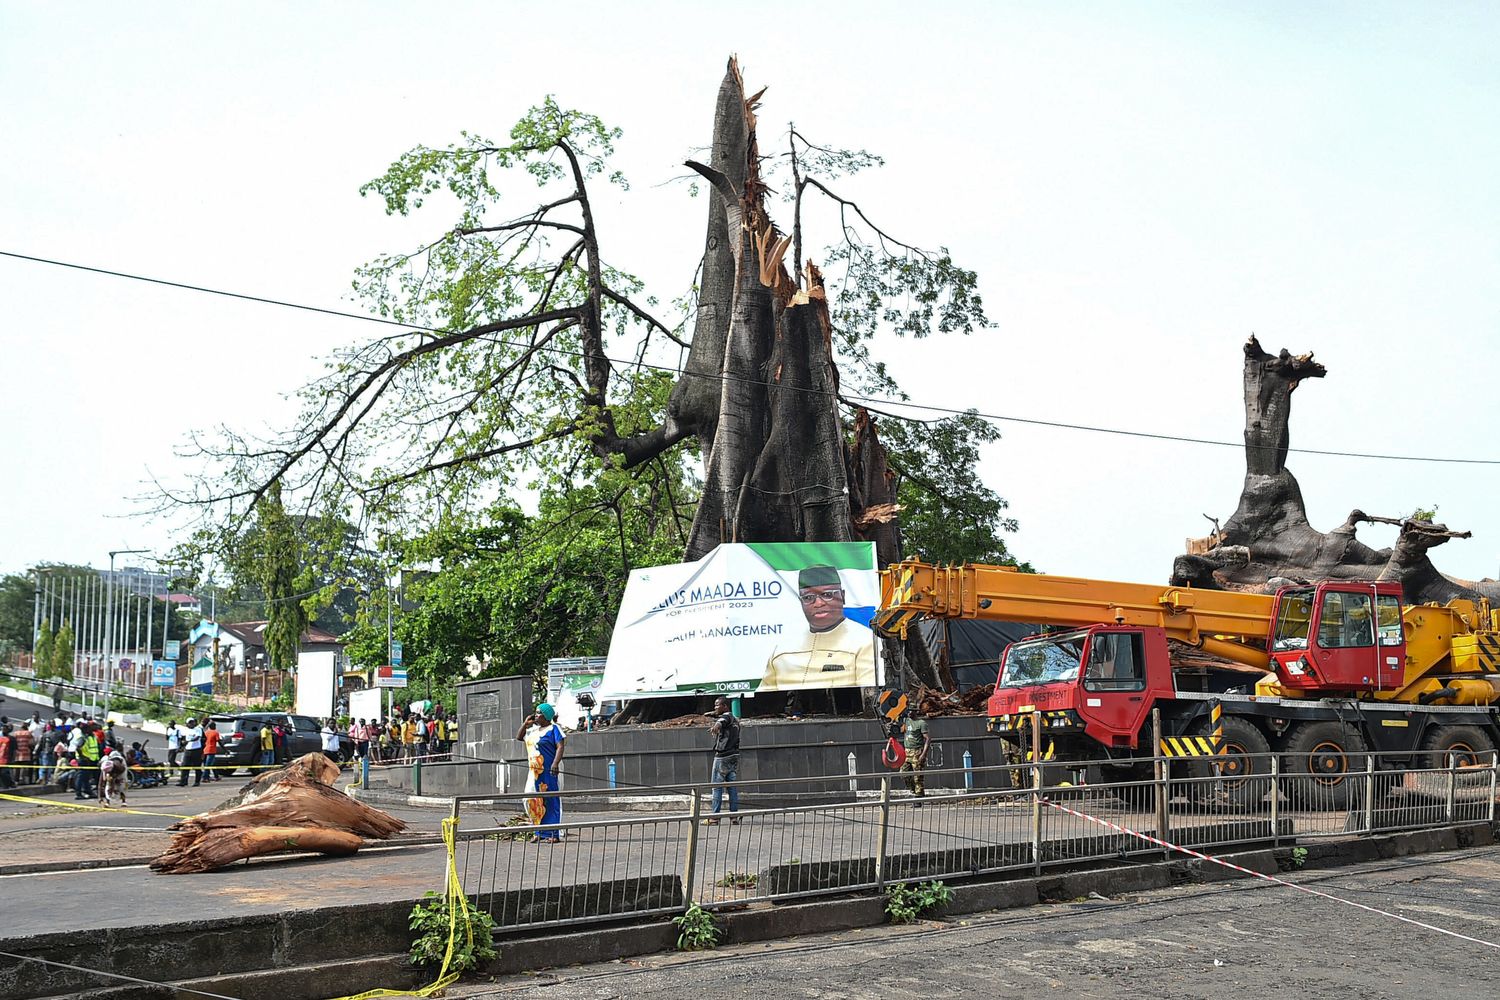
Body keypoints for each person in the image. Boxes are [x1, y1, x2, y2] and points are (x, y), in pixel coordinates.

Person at [762, 566, 878, 691]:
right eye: (808, 597)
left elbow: (868, 697)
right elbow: (765, 698)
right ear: (800, 602)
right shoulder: (782, 648)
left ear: (842, 596)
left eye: (827, 595)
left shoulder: (865, 641)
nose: (818, 603)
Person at [517, 703, 566, 843]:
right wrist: (525, 724)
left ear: (546, 716)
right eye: (536, 712)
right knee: (532, 799)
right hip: (534, 772)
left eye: (539, 713)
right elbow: (519, 737)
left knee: (550, 800)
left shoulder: (554, 729)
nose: (536, 715)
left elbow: (560, 746)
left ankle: (553, 833)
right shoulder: (533, 731)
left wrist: (555, 763)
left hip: (550, 770)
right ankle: (538, 831)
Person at [705, 696, 741, 825]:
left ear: (725, 706)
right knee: (732, 788)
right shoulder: (736, 720)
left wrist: (716, 727)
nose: (715, 707)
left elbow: (722, 720)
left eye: (717, 705)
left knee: (716, 787)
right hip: (734, 756)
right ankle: (734, 816)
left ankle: (714, 818)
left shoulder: (727, 716)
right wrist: (713, 714)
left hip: (722, 757)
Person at [900, 708, 930, 805]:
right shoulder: (906, 721)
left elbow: (927, 739)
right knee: (903, 773)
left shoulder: (921, 723)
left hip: (917, 751)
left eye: (911, 711)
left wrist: (923, 753)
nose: (909, 713)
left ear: (915, 712)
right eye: (908, 711)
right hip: (906, 751)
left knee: (918, 776)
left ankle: (918, 798)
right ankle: (915, 791)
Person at [74, 723, 101, 800]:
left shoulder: (92, 737)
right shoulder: (83, 738)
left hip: (92, 759)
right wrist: (83, 757)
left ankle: (88, 791)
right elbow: (78, 748)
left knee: (86, 777)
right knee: (81, 777)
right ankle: (78, 793)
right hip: (84, 760)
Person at [178, 717, 205, 787]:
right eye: (189, 723)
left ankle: (197, 781)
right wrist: (182, 745)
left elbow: (197, 738)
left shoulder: (198, 729)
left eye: (192, 722)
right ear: (187, 724)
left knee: (197, 766)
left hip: (196, 750)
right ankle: (183, 781)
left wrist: (188, 741)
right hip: (188, 750)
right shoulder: (184, 730)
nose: (191, 724)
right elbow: (183, 739)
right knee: (184, 766)